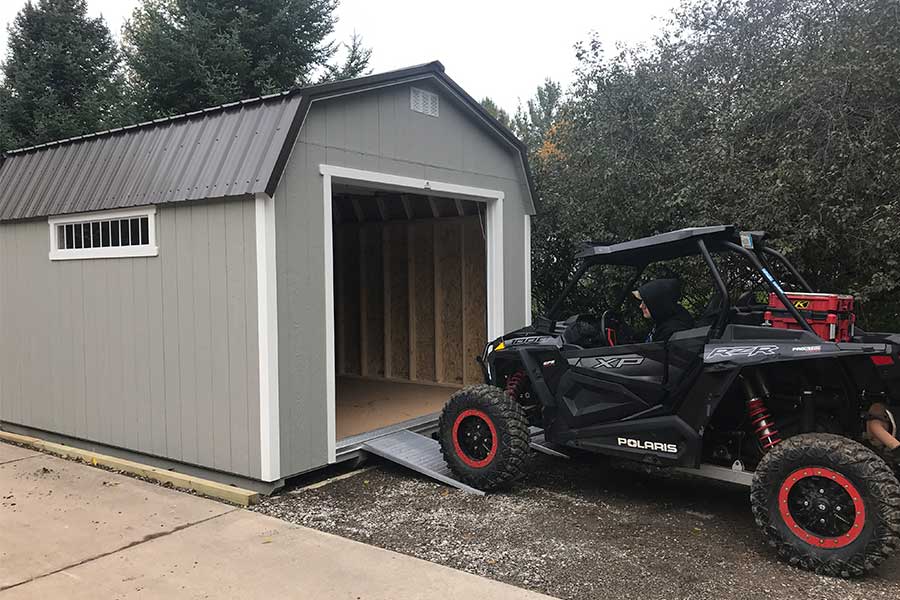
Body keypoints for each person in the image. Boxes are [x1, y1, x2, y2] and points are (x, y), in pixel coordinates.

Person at [632, 278, 695, 343]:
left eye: (645, 303)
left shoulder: (672, 332)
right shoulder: (663, 319)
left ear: (658, 304)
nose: (641, 306)